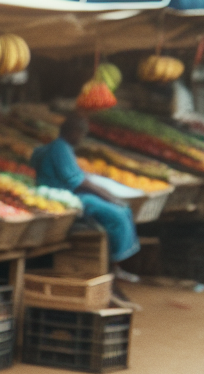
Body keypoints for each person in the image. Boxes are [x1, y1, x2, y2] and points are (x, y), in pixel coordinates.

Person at [31, 113, 140, 298]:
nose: (82, 139)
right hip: (65, 198)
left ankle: (116, 266)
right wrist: (111, 198)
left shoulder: (55, 148)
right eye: (82, 134)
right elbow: (79, 182)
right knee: (117, 214)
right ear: (74, 132)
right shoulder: (60, 148)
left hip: (66, 195)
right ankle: (114, 264)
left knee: (121, 210)